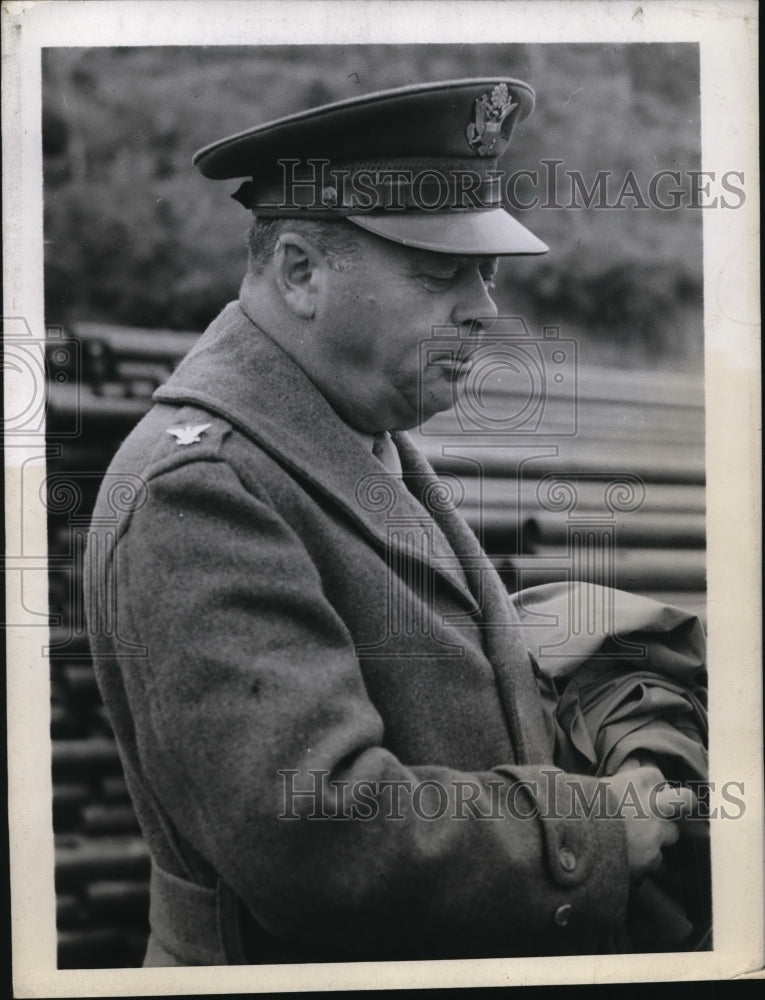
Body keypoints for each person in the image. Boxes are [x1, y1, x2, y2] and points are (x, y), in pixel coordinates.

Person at [84, 78, 699, 967]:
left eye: (483, 270)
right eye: (438, 270)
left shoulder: (346, 426)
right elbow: (315, 833)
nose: (483, 307)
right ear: (301, 272)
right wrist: (591, 832)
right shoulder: (206, 487)